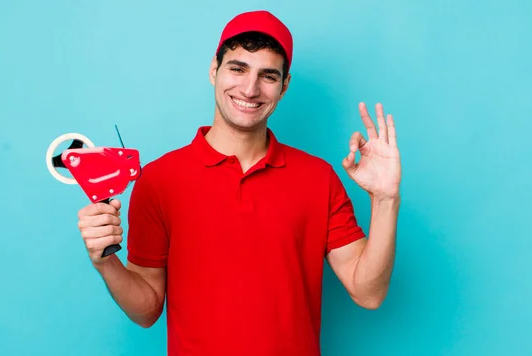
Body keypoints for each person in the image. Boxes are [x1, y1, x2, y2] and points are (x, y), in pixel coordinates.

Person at [76, 9, 401, 356]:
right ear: (214, 70)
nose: (250, 88)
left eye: (268, 76)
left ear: (284, 86)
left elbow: (368, 293)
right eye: (238, 68)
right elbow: (146, 309)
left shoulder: (318, 178)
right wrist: (105, 261)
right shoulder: (159, 179)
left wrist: (385, 200)